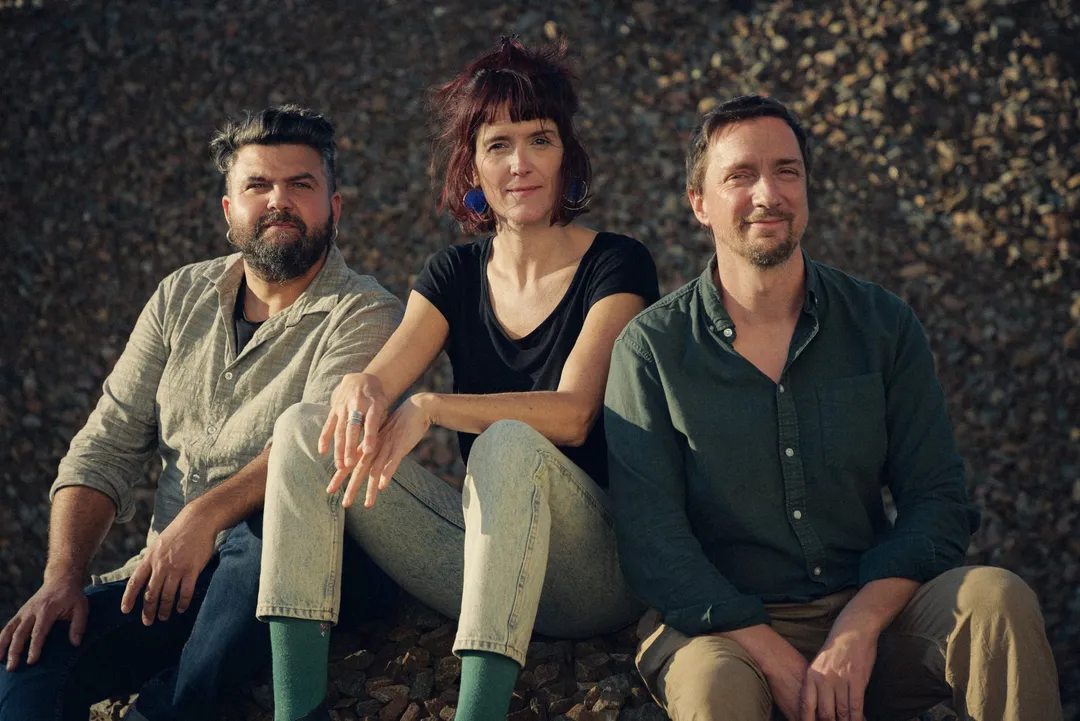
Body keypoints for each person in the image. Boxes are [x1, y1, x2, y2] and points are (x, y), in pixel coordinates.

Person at [604, 94, 1063, 721]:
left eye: (786, 171)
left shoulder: (882, 323)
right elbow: (653, 540)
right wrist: (774, 658)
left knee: (997, 600)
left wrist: (857, 629)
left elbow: (937, 498)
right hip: (726, 631)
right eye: (740, 176)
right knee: (713, 689)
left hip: (870, 609)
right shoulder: (651, 349)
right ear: (699, 204)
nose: (768, 194)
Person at [257, 37, 660, 721]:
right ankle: (297, 710)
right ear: (472, 164)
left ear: (567, 156)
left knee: (506, 440)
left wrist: (434, 406)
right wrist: (364, 387)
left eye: (540, 139)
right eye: (499, 144)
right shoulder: (454, 273)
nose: (520, 163)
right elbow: (385, 374)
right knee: (303, 427)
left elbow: (574, 414)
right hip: (483, 562)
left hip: (594, 572)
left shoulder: (617, 264)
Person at [0, 106, 403, 721]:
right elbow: (106, 445)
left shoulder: (368, 312)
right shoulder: (179, 295)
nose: (279, 201)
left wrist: (203, 516)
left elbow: (315, 449)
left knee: (270, 524)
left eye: (301, 184)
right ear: (228, 210)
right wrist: (63, 577)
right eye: (258, 185)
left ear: (335, 207)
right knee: (28, 662)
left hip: (287, 572)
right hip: (169, 582)